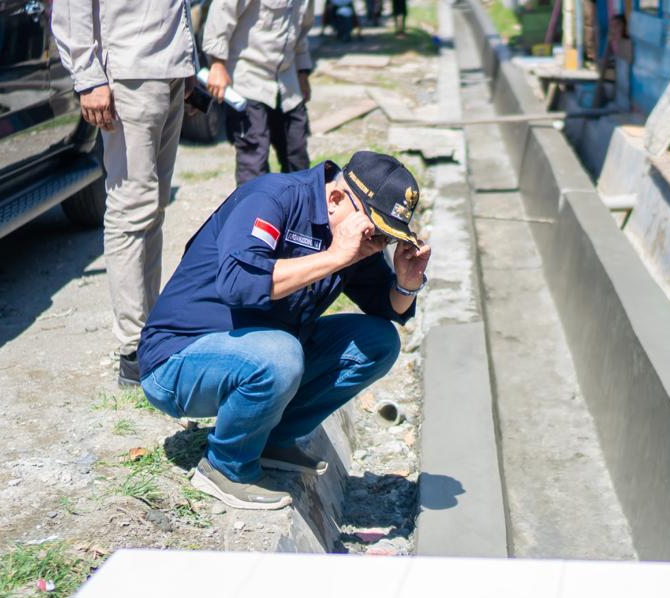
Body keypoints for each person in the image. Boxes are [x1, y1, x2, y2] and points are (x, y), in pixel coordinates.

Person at [138, 152, 431, 510]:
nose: (376, 245)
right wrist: (336, 257)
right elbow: (239, 283)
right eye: (374, 232)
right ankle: (225, 467)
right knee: (281, 355)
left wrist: (406, 282)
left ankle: (270, 439)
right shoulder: (272, 198)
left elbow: (384, 307)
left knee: (378, 342)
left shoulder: (352, 232)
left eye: (386, 239)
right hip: (179, 359)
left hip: (262, 354)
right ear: (337, 199)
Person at [51, 1, 198, 385]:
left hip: (169, 69)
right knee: (130, 210)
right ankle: (134, 349)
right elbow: (72, 8)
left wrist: (187, 59)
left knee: (153, 209)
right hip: (129, 74)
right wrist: (89, 78)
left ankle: (152, 329)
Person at [204, 0, 315, 186]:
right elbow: (222, 12)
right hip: (248, 78)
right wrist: (217, 63)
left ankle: (300, 211)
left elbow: (301, 30)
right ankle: (254, 212)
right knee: (254, 159)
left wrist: (302, 72)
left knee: (298, 156)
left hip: (287, 83)